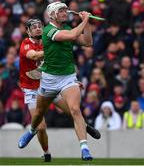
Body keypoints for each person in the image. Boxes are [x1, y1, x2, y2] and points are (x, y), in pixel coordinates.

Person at [18, 18, 100, 161]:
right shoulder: (26, 44)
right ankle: (47, 153)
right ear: (28, 31)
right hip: (32, 89)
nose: (38, 28)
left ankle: (86, 128)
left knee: (73, 111)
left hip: (51, 83)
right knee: (41, 126)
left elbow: (59, 63)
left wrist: (72, 81)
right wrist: (51, 49)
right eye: (34, 27)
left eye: (39, 26)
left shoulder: (47, 40)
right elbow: (34, 55)